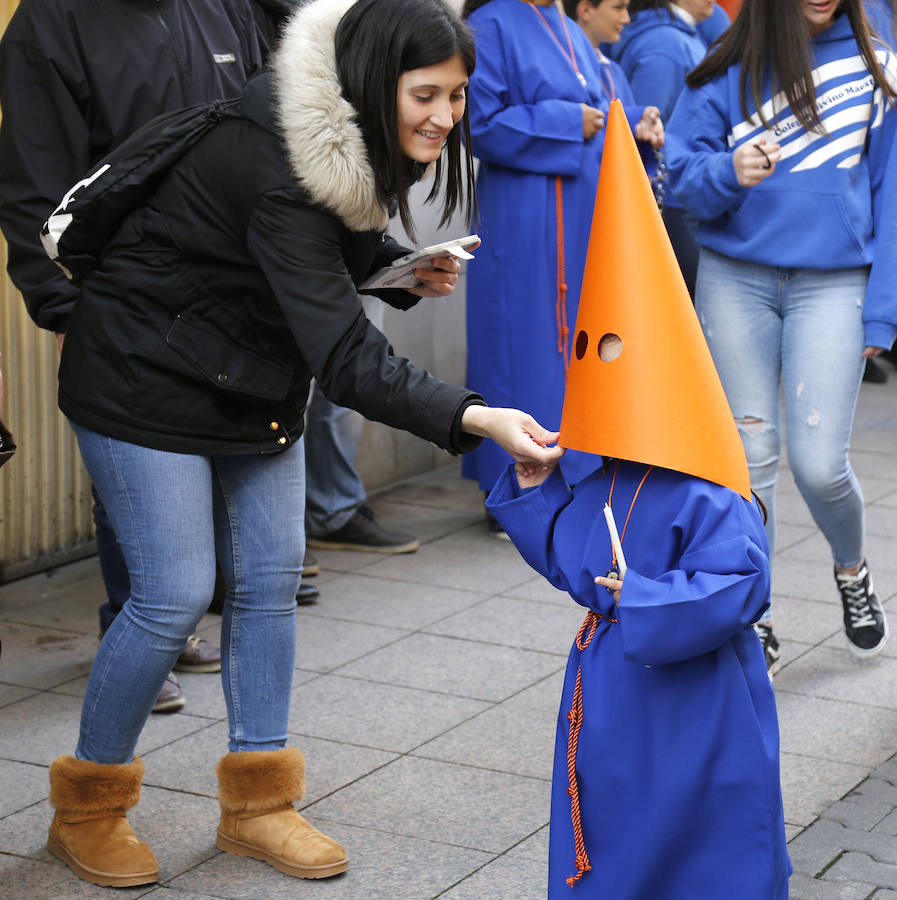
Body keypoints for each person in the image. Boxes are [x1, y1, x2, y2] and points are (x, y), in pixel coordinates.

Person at [40, 0, 564, 887]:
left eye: (458, 95)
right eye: (426, 94)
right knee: (173, 595)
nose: (444, 115)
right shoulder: (287, 161)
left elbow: (301, 258)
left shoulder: (342, 136)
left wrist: (389, 271)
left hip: (248, 377)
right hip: (140, 377)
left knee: (271, 585)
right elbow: (347, 356)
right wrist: (476, 417)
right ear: (372, 82)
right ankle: (87, 807)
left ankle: (258, 805)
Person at [487, 100, 790, 898]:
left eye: (611, 349)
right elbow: (571, 561)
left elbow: (738, 585)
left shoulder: (705, 488)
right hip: (613, 698)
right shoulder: (605, 477)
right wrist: (535, 493)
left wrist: (646, 599)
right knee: (613, 829)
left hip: (694, 710)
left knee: (699, 836)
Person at [0, 0, 278, 712]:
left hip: (227, 287)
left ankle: (171, 622)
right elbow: (34, 178)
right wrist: (63, 306)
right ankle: (139, 628)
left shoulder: (223, 8)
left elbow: (264, 126)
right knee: (133, 472)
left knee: (209, 462)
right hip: (119, 295)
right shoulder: (52, 22)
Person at [666, 0, 897, 673]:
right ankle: (754, 615)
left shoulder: (877, 68)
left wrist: (881, 312)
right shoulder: (726, 66)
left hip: (834, 282)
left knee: (820, 465)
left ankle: (851, 571)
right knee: (748, 457)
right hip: (734, 280)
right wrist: (727, 172)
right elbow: (681, 180)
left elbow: (891, 196)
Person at [460, 0, 663, 535]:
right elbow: (478, 120)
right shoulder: (493, 23)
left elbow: (602, 107)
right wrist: (567, 120)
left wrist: (632, 122)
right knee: (518, 344)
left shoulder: (569, 27)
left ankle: (563, 471)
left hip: (576, 217)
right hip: (524, 219)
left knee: (569, 344)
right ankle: (508, 483)